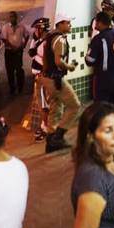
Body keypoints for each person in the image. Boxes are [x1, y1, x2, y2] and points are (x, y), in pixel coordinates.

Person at [38, 14, 82, 153]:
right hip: (54, 79)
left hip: (46, 79)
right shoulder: (60, 40)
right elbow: (58, 62)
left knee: (55, 109)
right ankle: (58, 137)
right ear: (60, 24)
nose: (70, 25)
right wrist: (70, 67)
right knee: (75, 105)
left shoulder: (50, 37)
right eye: (68, 23)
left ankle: (51, 142)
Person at [86, 11, 114, 104]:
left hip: (102, 79)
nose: (95, 24)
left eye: (96, 22)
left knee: (101, 106)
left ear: (100, 23)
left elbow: (89, 60)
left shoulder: (98, 38)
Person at [25, 17, 51, 141]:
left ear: (41, 28)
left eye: (37, 28)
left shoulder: (46, 42)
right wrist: (35, 39)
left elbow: (46, 60)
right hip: (39, 76)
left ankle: (46, 129)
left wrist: (43, 74)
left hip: (42, 77)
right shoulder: (40, 40)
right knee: (43, 104)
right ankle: (44, 126)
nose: (35, 31)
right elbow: (31, 53)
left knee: (44, 105)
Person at [0, 12, 29, 96]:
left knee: (19, 70)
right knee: (10, 71)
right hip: (9, 52)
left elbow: (27, 35)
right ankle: (12, 88)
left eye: (14, 17)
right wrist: (12, 47)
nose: (12, 18)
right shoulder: (5, 27)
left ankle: (20, 87)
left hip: (18, 51)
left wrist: (23, 45)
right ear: (9, 18)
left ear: (16, 18)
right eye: (11, 17)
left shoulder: (21, 27)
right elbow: (4, 39)